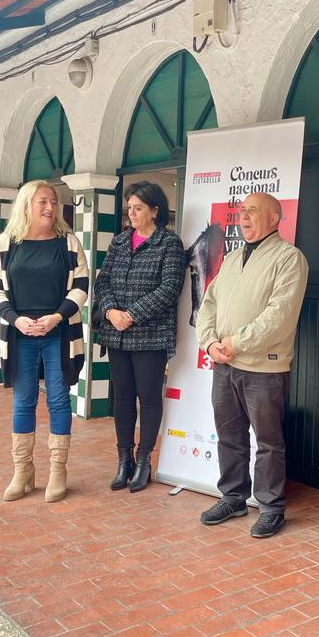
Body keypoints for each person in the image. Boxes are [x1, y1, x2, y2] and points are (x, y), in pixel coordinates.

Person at [195, 192, 308, 538]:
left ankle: (272, 507)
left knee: (268, 441)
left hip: (264, 368)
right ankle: (233, 497)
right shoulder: (231, 259)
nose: (243, 217)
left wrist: (236, 342)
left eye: (253, 212)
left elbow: (280, 316)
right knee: (229, 435)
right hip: (224, 364)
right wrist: (210, 342)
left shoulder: (290, 259)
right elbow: (208, 303)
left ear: (275, 219)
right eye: (242, 211)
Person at [0, 180, 89, 503]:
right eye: (43, 201)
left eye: (53, 202)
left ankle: (58, 470)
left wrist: (57, 316)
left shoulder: (68, 242)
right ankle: (23, 470)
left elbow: (82, 286)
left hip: (59, 332)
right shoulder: (6, 243)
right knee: (23, 401)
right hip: (20, 334)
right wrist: (15, 318)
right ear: (26, 205)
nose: (49, 208)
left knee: (58, 400)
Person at [93, 181, 185, 493]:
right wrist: (110, 312)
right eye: (129, 208)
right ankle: (124, 460)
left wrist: (131, 314)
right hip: (115, 334)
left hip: (150, 336)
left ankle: (144, 460)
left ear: (155, 210)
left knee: (148, 398)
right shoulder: (118, 242)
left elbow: (170, 289)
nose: (132, 214)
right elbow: (102, 282)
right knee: (121, 398)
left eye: (138, 208)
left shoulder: (169, 244)